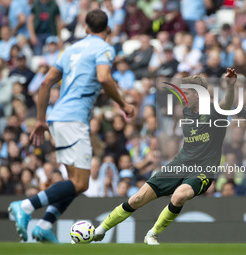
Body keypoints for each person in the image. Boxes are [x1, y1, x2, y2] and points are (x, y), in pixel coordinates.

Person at [8, 9, 134, 243]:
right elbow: (105, 77)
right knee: (81, 182)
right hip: (74, 120)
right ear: (108, 30)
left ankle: (44, 226)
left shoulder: (71, 49)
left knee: (74, 184)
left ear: (86, 28)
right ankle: (25, 206)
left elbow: (45, 83)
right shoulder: (104, 48)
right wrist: (123, 104)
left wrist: (41, 120)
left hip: (59, 118)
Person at [93, 68, 237, 245]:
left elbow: (226, 104)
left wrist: (230, 87)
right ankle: (100, 230)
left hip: (204, 168)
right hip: (180, 163)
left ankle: (152, 234)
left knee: (178, 196)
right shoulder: (187, 112)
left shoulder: (214, 112)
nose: (184, 97)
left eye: (188, 93)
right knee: (137, 199)